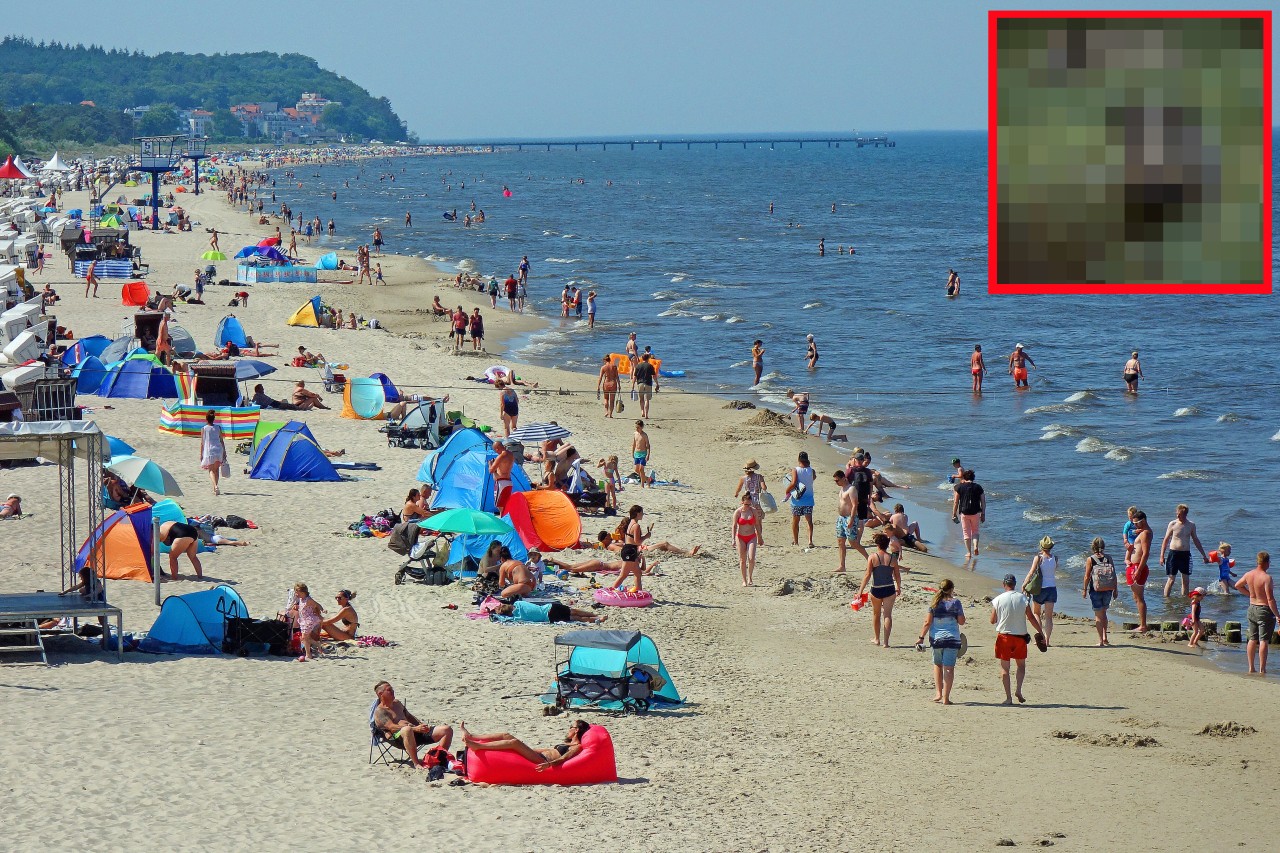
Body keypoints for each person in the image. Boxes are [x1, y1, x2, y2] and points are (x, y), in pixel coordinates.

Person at [990, 573, 1044, 705]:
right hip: (1020, 638)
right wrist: (1040, 631)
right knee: (1021, 666)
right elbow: (1031, 617)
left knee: (1005, 669)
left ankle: (1008, 698)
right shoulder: (1023, 598)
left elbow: (992, 620)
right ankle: (1018, 690)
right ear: (1014, 584)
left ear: (1004, 584)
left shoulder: (998, 599)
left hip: (1004, 637)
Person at [372, 682, 453, 769]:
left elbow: (409, 716)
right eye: (389, 690)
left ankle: (439, 759)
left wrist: (421, 725)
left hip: (415, 732)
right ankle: (416, 763)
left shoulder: (397, 703)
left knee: (447, 730)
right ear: (380, 694)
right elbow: (392, 727)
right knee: (407, 729)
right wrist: (415, 728)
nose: (392, 691)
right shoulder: (380, 711)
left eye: (392, 689)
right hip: (397, 738)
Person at [460, 719, 590, 771]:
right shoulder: (567, 743)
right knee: (506, 735)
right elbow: (548, 749)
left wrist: (549, 764)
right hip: (538, 755)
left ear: (576, 730)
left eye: (570, 727)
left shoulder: (577, 747)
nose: (568, 729)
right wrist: (527, 749)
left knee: (514, 743)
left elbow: (564, 758)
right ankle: (472, 736)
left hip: (543, 761)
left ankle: (478, 746)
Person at [915, 578, 965, 704]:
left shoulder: (934, 603)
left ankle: (938, 693)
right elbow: (961, 622)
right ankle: (946, 698)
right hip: (952, 640)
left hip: (936, 640)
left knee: (937, 665)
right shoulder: (956, 603)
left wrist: (921, 638)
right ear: (952, 589)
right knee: (949, 668)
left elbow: (927, 622)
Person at [1235, 552, 1278, 674]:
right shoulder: (1266, 578)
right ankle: (1262, 669)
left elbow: (1238, 585)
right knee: (1264, 640)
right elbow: (1270, 599)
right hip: (1263, 610)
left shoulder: (1249, 574)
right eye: (1269, 562)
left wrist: (1250, 595)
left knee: (1253, 639)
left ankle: (1251, 668)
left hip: (1252, 608)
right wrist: (1277, 615)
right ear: (1266, 562)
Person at [857, 534, 902, 647]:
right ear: (887, 545)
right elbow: (897, 575)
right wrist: (898, 587)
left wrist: (860, 591)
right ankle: (886, 642)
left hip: (876, 589)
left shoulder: (872, 557)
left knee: (876, 614)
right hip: (889, 588)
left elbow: (867, 575)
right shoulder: (893, 558)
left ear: (877, 545)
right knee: (887, 615)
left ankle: (877, 639)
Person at [1159, 504, 1209, 598]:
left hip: (1185, 554)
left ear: (1185, 514)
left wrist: (1204, 555)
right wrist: (1162, 555)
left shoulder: (1191, 525)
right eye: (1177, 514)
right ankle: (1166, 600)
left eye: (1180, 514)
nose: (1177, 516)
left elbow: (1196, 540)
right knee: (1171, 579)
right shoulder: (1172, 524)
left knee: (1185, 580)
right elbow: (1165, 540)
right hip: (1173, 553)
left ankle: (1184, 601)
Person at [1081, 537, 1118, 647]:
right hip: (1108, 589)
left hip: (1095, 590)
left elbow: (1087, 576)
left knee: (1098, 615)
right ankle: (1105, 637)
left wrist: (1084, 590)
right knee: (1104, 613)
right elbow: (1114, 575)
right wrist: (1115, 590)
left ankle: (1100, 640)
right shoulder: (1109, 558)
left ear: (1093, 547)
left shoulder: (1090, 559)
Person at [1023, 536, 1058, 646]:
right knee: (1049, 617)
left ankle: (1041, 636)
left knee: (1036, 613)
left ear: (1041, 546)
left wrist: (1024, 584)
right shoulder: (1055, 558)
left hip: (1040, 589)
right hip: (1052, 588)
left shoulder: (1038, 558)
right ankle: (1047, 641)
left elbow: (1031, 572)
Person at [832, 470, 867, 573]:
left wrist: (851, 519)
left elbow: (855, 505)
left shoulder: (851, 489)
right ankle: (842, 566)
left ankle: (869, 559)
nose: (836, 483)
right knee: (840, 541)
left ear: (843, 478)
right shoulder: (842, 489)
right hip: (841, 518)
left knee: (853, 542)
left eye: (837, 480)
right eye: (835, 481)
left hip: (849, 518)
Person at [1127, 510, 1153, 632]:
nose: (1135, 526)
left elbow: (1146, 553)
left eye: (1136, 523)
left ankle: (1143, 625)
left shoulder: (1146, 534)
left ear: (1143, 521)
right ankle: (1141, 624)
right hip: (1134, 565)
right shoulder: (1144, 532)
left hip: (1138, 566)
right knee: (1136, 597)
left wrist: (1139, 570)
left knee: (1139, 597)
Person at [784, 451, 816, 548]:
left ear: (799, 459)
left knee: (795, 521)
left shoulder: (795, 470)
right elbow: (813, 478)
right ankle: (810, 541)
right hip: (809, 499)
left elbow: (793, 483)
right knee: (809, 521)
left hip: (797, 500)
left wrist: (787, 490)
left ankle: (796, 541)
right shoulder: (812, 470)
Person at [950, 469, 985, 559]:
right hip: (975, 512)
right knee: (975, 531)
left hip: (964, 512)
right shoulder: (978, 487)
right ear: (973, 478)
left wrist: (954, 513)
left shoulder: (958, 487)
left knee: (966, 532)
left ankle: (969, 552)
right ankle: (976, 546)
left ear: (964, 477)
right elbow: (983, 501)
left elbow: (956, 502)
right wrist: (983, 513)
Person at [733, 459, 767, 546]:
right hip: (757, 501)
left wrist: (736, 494)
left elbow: (739, 488)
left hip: (747, 500)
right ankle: (759, 538)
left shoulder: (743, 478)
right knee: (758, 521)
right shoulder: (759, 477)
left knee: (748, 520)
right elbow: (764, 487)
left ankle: (750, 537)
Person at [493, 600, 606, 624]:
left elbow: (507, 618)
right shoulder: (518, 603)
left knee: (576, 618)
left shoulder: (517, 618)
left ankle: (597, 619)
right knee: (575, 612)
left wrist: (499, 614)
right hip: (550, 608)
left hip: (549, 617)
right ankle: (595, 615)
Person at [731, 492, 759, 587]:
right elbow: (734, 526)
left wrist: (760, 537)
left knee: (751, 558)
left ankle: (750, 577)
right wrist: (733, 539)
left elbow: (757, 524)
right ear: (742, 502)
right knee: (742, 560)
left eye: (749, 504)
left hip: (752, 536)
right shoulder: (738, 512)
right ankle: (744, 580)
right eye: (746, 504)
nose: (748, 506)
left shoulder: (753, 511)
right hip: (740, 537)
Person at [199, 411, 227, 496]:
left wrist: (201, 454)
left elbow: (202, 443)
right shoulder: (218, 427)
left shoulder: (204, 429)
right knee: (216, 469)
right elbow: (221, 441)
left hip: (209, 451)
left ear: (206, 419)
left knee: (211, 470)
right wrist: (224, 451)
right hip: (218, 450)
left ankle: (215, 486)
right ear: (214, 419)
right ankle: (215, 488)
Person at [489, 439, 514, 511]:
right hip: (509, 481)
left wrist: (490, 464)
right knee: (506, 503)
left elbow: (491, 470)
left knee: (500, 505)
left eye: (495, 450)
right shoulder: (511, 454)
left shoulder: (501, 456)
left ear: (497, 449)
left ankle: (502, 519)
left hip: (501, 482)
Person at [631, 354, 658, 419]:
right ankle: (646, 414)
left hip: (640, 383)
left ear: (642, 358)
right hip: (648, 383)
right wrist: (657, 384)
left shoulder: (638, 366)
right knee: (647, 400)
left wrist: (633, 385)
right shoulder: (650, 366)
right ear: (648, 359)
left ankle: (642, 411)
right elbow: (654, 376)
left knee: (641, 399)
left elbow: (635, 376)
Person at [631, 420, 651, 487]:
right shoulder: (635, 434)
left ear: (642, 427)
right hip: (637, 453)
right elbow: (634, 444)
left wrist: (648, 455)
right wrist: (632, 452)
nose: (637, 429)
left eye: (638, 427)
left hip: (643, 453)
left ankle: (642, 484)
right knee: (636, 470)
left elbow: (648, 446)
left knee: (641, 469)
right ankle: (647, 479)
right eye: (636, 427)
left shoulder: (644, 435)